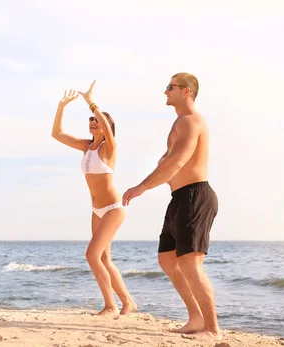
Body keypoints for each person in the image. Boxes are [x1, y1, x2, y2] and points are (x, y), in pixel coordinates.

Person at [122, 73, 221, 341]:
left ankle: (212, 328)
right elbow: (166, 163)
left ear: (186, 91)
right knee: (167, 259)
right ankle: (196, 317)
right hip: (179, 198)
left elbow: (176, 161)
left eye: (170, 87)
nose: (165, 91)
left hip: (195, 196)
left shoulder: (191, 121)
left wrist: (142, 186)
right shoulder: (180, 122)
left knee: (191, 264)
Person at [51, 80, 137, 317]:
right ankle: (128, 302)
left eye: (97, 120)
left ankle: (110, 306)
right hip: (96, 210)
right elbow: (56, 133)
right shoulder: (86, 147)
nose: (92, 122)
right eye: (90, 120)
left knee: (91, 255)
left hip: (112, 208)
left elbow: (108, 131)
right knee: (104, 259)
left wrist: (91, 104)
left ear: (107, 126)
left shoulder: (109, 148)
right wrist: (61, 107)